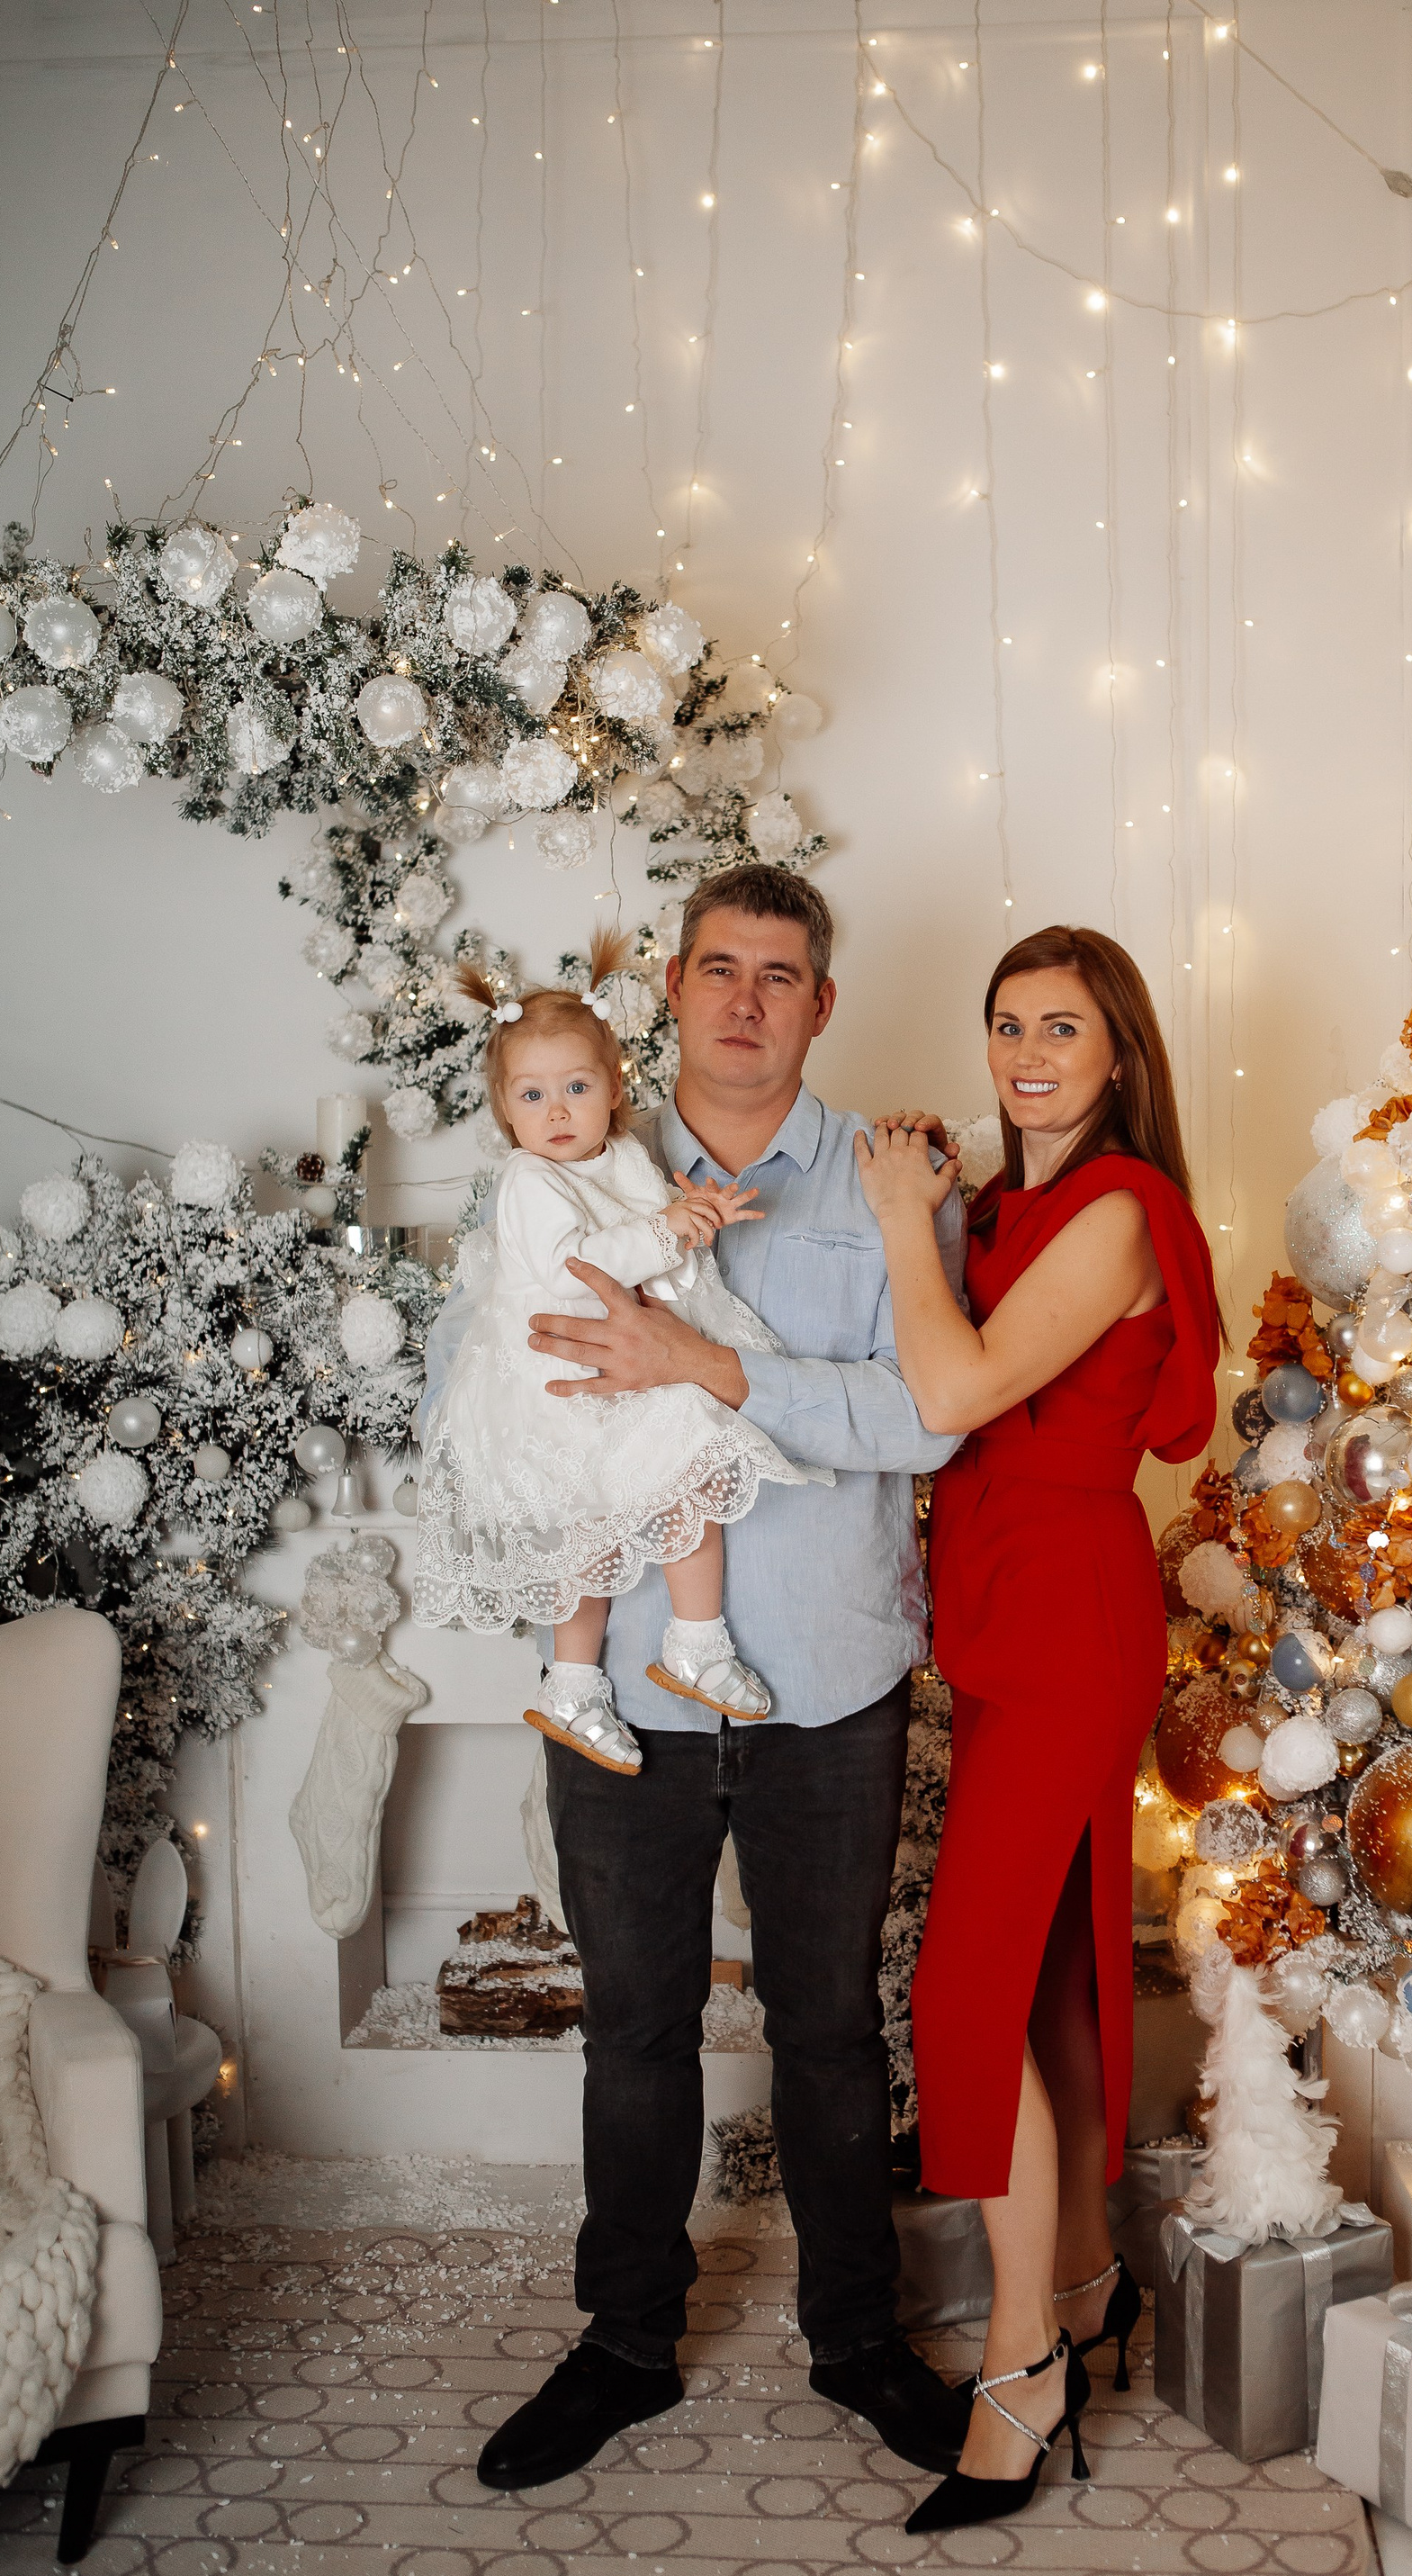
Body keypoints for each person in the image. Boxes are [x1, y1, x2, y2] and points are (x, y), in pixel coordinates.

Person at [420, 864, 973, 2490]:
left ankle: (858, 2341)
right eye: (719, 968)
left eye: (779, 975)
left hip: (828, 1681)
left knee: (831, 2030)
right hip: (627, 1697)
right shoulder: (564, 1159)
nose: (745, 1000)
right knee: (634, 2031)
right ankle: (624, 2343)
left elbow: (928, 1418)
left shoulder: (890, 1180)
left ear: (821, 1003)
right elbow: (475, 1386)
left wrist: (701, 1365)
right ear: (669, 988)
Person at [853, 923, 1221, 2535]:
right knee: (1057, 1970)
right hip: (1006, 1603)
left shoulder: (1121, 1207)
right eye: (1007, 1023)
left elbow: (952, 1392)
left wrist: (897, 1222)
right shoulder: (1007, 1206)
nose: (1025, 1053)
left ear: (1119, 1050)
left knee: (969, 1984)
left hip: (1072, 1612)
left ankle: (1021, 2367)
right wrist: (932, 1211)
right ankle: (1079, 2282)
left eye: (1061, 1026)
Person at [415, 930, 820, 1771]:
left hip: (628, 1367)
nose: (557, 1112)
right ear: (507, 1112)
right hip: (554, 1379)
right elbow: (576, 1269)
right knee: (586, 1536)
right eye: (532, 1096)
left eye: (576, 1087)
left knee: (688, 1481)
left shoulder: (628, 1158)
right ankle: (575, 1683)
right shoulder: (528, 1180)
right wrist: (666, 1231)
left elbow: (660, 1265)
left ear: (614, 1089)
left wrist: (692, 1226)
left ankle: (693, 1642)